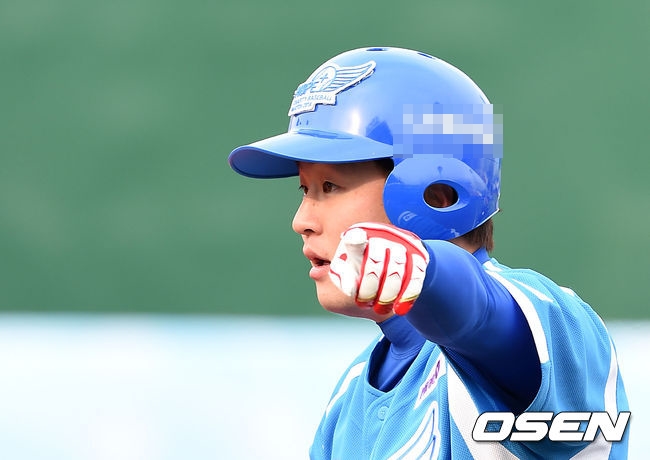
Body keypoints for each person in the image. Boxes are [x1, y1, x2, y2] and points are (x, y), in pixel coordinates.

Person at [227, 47, 630, 459]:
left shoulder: (551, 318)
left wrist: (426, 271)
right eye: (305, 189)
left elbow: (482, 315)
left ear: (437, 195)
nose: (302, 221)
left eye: (330, 187)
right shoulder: (348, 398)